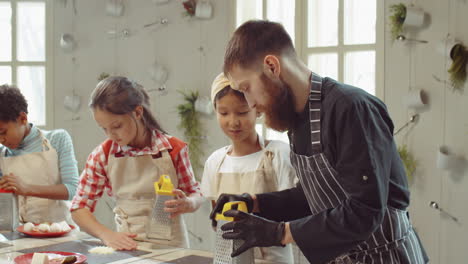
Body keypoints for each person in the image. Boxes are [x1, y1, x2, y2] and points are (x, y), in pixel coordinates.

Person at [210, 20, 429, 264]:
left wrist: (279, 233)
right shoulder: (296, 120)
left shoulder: (350, 108)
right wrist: (253, 202)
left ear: (271, 66)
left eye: (247, 88)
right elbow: (314, 197)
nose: (249, 103)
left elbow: (365, 210)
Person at [71, 76, 203, 250]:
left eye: (117, 126)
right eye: (104, 129)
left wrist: (189, 203)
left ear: (138, 112)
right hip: (128, 248)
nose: (111, 135)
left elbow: (195, 193)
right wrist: (106, 234)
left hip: (172, 249)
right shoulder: (101, 156)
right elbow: (79, 208)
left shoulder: (173, 149)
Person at [201, 73, 296, 263]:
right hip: (229, 257)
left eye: (242, 112)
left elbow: (294, 208)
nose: (233, 122)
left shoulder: (277, 154)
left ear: (258, 109)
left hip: (273, 259)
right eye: (224, 113)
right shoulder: (215, 161)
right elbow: (216, 219)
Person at [0, 84, 79, 224]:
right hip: (21, 233)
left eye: (3, 132)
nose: (1, 140)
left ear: (23, 118)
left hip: (60, 232)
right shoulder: (2, 154)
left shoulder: (57, 139)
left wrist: (26, 188)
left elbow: (73, 190)